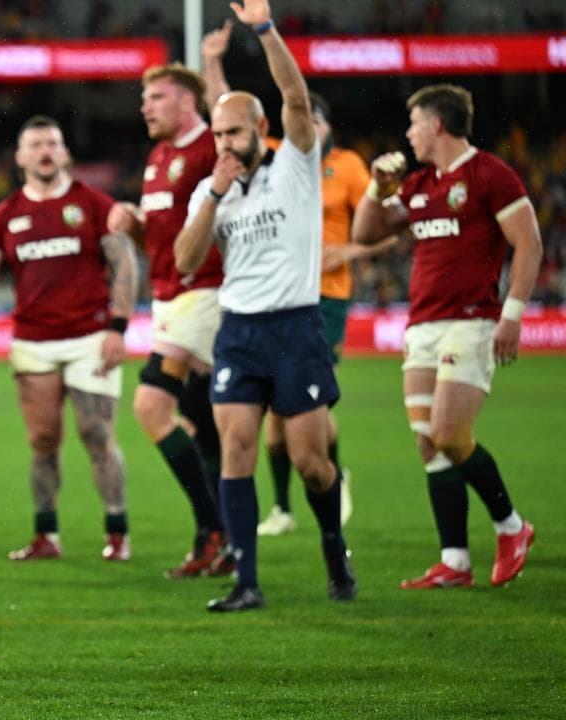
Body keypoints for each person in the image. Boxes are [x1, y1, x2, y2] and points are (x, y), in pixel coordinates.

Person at [173, 0, 356, 612]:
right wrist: (215, 194)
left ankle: (335, 549)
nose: (224, 143)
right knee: (237, 451)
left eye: (234, 132)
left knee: (309, 461)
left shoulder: (296, 168)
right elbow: (185, 259)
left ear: (259, 130)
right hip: (240, 332)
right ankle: (247, 581)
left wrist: (265, 30)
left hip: (296, 328)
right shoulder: (212, 188)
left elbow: (296, 98)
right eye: (218, 134)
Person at [201, 35, 395, 536]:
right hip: (261, 306)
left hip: (321, 297)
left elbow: (378, 226)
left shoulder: (344, 165)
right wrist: (212, 64)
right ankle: (287, 506)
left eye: (322, 120)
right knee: (270, 428)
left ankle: (326, 473)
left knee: (297, 420)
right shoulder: (272, 159)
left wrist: (351, 251)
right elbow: (227, 115)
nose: (316, 126)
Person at [350, 83, 540, 589]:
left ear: (436, 124)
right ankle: (455, 561)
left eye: (413, 123)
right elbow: (365, 234)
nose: (408, 134)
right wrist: (375, 186)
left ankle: (512, 527)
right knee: (428, 444)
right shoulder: (418, 185)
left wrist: (513, 314)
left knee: (450, 434)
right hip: (423, 326)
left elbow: (529, 243)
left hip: (471, 320)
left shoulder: (488, 174)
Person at [0, 115, 138, 562]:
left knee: (97, 434)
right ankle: (46, 536)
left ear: (64, 153)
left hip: (90, 336)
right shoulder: (6, 215)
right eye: (35, 143)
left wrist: (119, 326)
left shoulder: (93, 204)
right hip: (33, 341)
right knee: (42, 440)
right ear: (20, 157)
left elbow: (125, 264)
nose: (44, 151)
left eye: (52, 143)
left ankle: (117, 532)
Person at [108, 61, 232, 578]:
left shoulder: (211, 150)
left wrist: (216, 66)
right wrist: (134, 226)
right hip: (169, 298)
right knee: (204, 425)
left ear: (188, 103)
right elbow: (158, 243)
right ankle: (219, 539)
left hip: (205, 293)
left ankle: (215, 528)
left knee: (151, 403)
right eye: (145, 98)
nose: (145, 106)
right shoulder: (159, 157)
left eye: (156, 97)